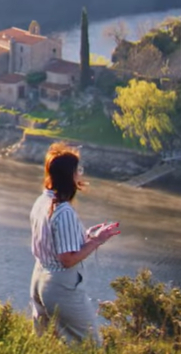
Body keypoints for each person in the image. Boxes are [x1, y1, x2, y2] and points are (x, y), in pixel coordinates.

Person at [28, 142, 121, 344]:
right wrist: (97, 240)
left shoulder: (42, 201)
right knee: (91, 344)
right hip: (60, 285)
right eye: (78, 170)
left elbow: (53, 242)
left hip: (38, 278)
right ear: (69, 176)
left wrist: (85, 237)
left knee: (46, 343)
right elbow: (67, 259)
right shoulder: (63, 211)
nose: (80, 175)